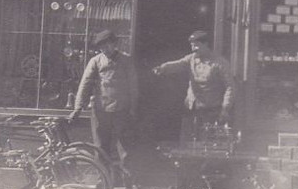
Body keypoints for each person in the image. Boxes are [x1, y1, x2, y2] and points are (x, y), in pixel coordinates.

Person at [69, 29, 138, 181]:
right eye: (101, 47)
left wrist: (133, 107)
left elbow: (133, 85)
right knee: (100, 146)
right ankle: (104, 179)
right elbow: (85, 83)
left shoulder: (126, 60)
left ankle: (127, 179)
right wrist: (77, 107)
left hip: (121, 109)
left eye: (107, 46)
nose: (104, 49)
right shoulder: (96, 61)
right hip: (101, 110)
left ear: (114, 44)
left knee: (124, 146)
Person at [152, 30, 235, 141]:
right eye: (192, 45)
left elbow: (230, 86)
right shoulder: (191, 59)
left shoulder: (219, 63)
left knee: (206, 144)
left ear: (206, 44)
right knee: (187, 142)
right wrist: (162, 68)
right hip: (191, 109)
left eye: (196, 45)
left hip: (210, 112)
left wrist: (225, 108)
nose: (193, 48)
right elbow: (178, 64)